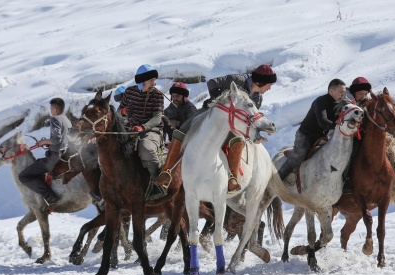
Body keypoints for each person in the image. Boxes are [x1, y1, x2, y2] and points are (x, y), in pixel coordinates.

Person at [153, 64, 277, 194]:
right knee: (182, 130)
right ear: (261, 81)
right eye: (269, 84)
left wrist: (259, 131)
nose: (270, 88)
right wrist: (217, 101)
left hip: (233, 125)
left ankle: (232, 178)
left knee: (238, 142)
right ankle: (167, 172)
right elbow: (213, 83)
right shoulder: (238, 80)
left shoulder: (258, 98)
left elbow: (251, 118)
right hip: (210, 114)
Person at [277, 79, 347, 182]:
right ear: (331, 91)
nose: (343, 94)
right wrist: (339, 126)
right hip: (306, 135)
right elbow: (323, 122)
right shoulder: (320, 101)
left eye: (344, 92)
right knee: (299, 156)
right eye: (341, 92)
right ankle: (277, 180)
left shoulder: (343, 103)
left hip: (323, 137)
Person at [347, 77, 395, 171]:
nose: (363, 96)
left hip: (366, 130)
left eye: (365, 93)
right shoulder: (347, 102)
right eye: (360, 94)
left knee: (391, 134)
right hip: (351, 132)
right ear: (353, 92)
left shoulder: (368, 101)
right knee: (352, 149)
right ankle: (346, 172)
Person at [118, 64, 166, 200]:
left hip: (152, 130)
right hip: (131, 130)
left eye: (154, 79)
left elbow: (157, 118)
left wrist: (143, 127)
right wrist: (122, 112)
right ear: (143, 80)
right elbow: (118, 113)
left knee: (146, 149)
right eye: (151, 79)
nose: (154, 82)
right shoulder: (129, 92)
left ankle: (158, 183)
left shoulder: (158, 95)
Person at [19, 98, 72, 207]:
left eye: (51, 108)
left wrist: (44, 141)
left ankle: (50, 196)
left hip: (53, 157)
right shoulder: (66, 119)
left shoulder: (55, 119)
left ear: (56, 109)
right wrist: (48, 144)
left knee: (24, 176)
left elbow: (57, 139)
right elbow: (63, 139)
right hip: (64, 153)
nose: (50, 110)